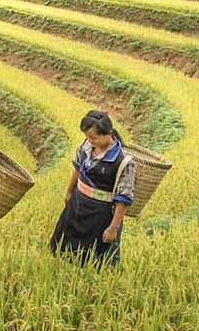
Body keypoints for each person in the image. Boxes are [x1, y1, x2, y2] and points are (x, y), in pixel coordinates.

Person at [49, 110, 136, 265]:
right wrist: (69, 192)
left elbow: (123, 199)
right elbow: (77, 168)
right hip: (77, 205)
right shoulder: (85, 146)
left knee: (92, 259)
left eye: (93, 137)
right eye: (87, 136)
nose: (89, 140)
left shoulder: (123, 162)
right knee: (63, 248)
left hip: (100, 215)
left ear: (107, 134)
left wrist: (113, 228)